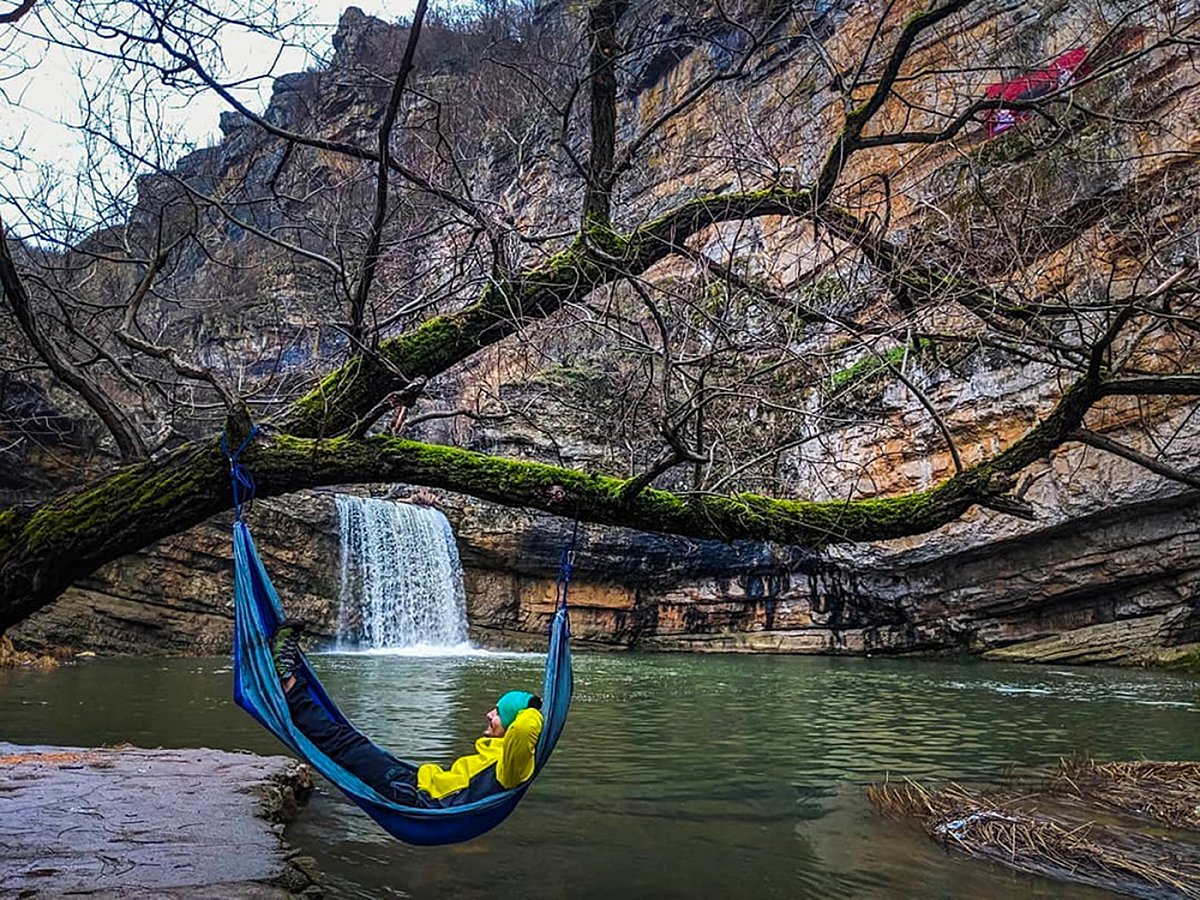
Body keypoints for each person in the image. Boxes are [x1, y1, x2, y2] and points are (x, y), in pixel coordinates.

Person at [271, 618, 543, 808]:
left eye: (498, 713)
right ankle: (294, 681)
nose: (488, 714)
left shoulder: (512, 763)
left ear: (511, 722)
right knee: (350, 741)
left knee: (343, 746)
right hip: (417, 781)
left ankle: (289, 683)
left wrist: (531, 708)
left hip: (418, 799)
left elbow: (523, 729)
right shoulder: (500, 751)